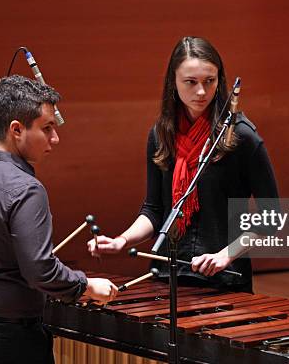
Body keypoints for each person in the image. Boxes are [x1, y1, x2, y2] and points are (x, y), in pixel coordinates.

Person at [0, 75, 118, 364]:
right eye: (47, 128)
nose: (55, 138)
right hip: (5, 337)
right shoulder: (26, 189)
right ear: (16, 129)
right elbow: (40, 271)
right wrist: (86, 285)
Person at [87, 36, 278, 292]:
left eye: (209, 81)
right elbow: (155, 211)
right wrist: (122, 240)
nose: (201, 91)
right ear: (173, 83)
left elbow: (271, 216)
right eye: (191, 82)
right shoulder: (161, 135)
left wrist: (226, 254)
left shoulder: (241, 136)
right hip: (169, 274)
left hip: (224, 279)